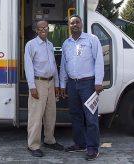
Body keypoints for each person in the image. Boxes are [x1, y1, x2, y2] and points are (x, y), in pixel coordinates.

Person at [59, 15, 104, 161]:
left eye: (77, 22)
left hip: (88, 84)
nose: (75, 25)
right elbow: (63, 67)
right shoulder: (66, 43)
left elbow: (99, 61)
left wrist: (98, 81)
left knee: (91, 117)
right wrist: (62, 85)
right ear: (69, 26)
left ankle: (92, 148)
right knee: (75, 115)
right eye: (72, 23)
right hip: (72, 84)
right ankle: (80, 143)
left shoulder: (92, 39)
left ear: (82, 24)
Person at [24, 20, 64, 157]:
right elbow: (28, 67)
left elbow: (54, 66)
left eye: (45, 27)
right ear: (36, 30)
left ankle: (49, 140)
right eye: (40, 28)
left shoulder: (50, 45)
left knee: (50, 114)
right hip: (38, 83)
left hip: (51, 83)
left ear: (48, 28)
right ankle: (33, 145)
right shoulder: (31, 45)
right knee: (36, 116)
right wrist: (32, 87)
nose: (43, 30)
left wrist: (57, 84)